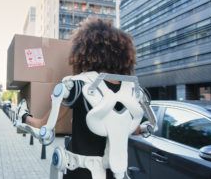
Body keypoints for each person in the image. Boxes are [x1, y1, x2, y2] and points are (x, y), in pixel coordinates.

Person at [22, 17, 138, 179]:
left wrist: (24, 117)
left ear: (86, 51)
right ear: (125, 55)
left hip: (81, 173)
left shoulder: (77, 86)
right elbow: (137, 129)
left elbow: (44, 125)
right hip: (115, 173)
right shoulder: (130, 90)